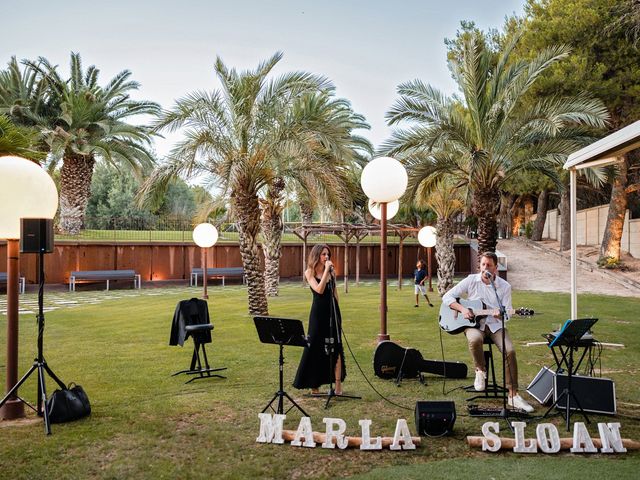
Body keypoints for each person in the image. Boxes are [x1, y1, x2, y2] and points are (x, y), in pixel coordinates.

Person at [441, 251, 534, 413]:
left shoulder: (505, 287)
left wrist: (500, 315)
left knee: (510, 351)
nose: (485, 268)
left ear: (496, 268)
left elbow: (507, 315)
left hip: (495, 326)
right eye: (483, 265)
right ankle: (480, 370)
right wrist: (463, 309)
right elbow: (447, 297)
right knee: (475, 339)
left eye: (489, 265)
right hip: (473, 325)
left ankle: (513, 395)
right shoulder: (471, 280)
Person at [293, 244, 346, 395]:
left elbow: (334, 292)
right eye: (323, 254)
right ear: (317, 256)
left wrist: (337, 311)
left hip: (332, 312)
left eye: (328, 254)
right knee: (315, 346)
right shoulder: (309, 272)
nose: (326, 257)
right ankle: (313, 383)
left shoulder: (331, 272)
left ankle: (337, 386)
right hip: (317, 314)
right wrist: (326, 274)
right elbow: (319, 290)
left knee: (335, 347)